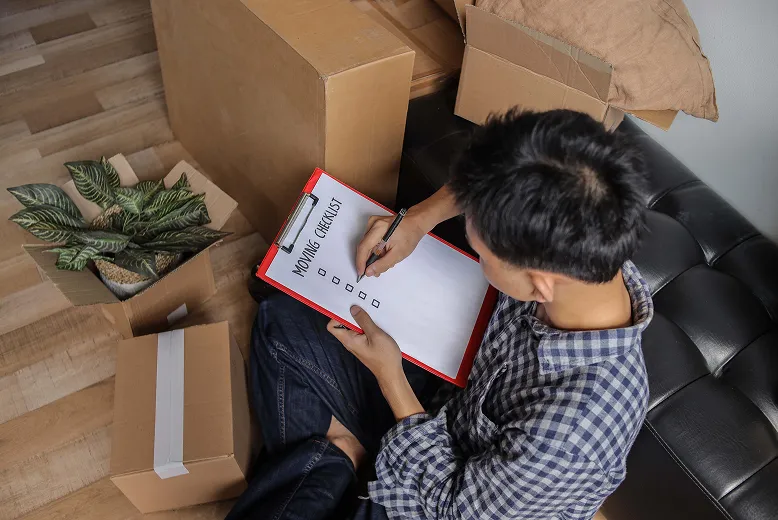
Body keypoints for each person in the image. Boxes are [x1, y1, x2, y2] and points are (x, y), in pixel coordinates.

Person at [228, 109, 653, 520]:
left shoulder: (572, 435)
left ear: (538, 284)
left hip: (445, 499)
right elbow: (487, 178)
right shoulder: (583, 241)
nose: (477, 254)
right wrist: (419, 220)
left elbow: (452, 509)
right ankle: (345, 455)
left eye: (482, 254)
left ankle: (336, 458)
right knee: (280, 316)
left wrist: (390, 379)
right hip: (445, 402)